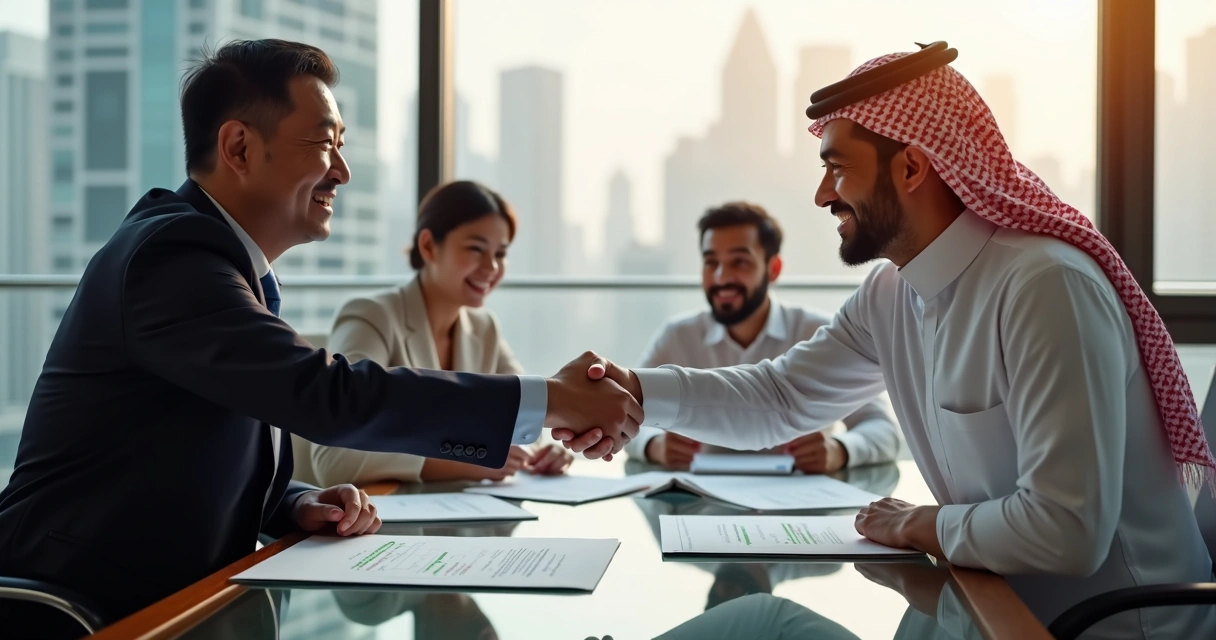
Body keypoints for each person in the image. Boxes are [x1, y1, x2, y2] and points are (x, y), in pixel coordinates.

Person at [558, 42, 1216, 638]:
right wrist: (636, 390)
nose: (822, 194)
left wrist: (920, 523)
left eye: (837, 168)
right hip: (984, 610)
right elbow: (778, 396)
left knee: (762, 623)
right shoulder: (891, 293)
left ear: (911, 168)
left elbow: (1066, 531)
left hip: (1102, 632)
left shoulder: (1044, 285)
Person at [0, 39, 634, 634]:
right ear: (240, 148)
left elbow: (183, 452)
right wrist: (551, 399)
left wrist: (292, 502)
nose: (344, 172)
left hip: (171, 604)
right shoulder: (173, 256)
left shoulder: (225, 266)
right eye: (325, 144)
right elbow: (327, 394)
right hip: (75, 610)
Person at [293, 180, 573, 487]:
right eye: (476, 249)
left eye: (501, 253)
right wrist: (471, 457)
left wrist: (544, 451)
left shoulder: (484, 329)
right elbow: (334, 459)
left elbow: (524, 421)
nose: (491, 266)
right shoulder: (371, 316)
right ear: (428, 246)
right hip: (376, 520)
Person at [623, 202, 899, 472]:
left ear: (773, 269)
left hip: (798, 503)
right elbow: (628, 416)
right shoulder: (678, 335)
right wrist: (654, 445)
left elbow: (884, 429)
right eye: (711, 263)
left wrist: (841, 449)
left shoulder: (821, 332)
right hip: (697, 501)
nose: (721, 277)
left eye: (739, 262)